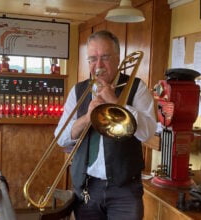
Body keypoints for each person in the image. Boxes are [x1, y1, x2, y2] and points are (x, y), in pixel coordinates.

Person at [54, 30, 157, 220]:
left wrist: (118, 103)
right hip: (87, 187)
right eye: (92, 59)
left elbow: (148, 133)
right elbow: (60, 138)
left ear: (118, 59)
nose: (98, 66)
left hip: (125, 189)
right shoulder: (78, 91)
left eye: (105, 57)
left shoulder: (137, 87)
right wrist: (87, 117)